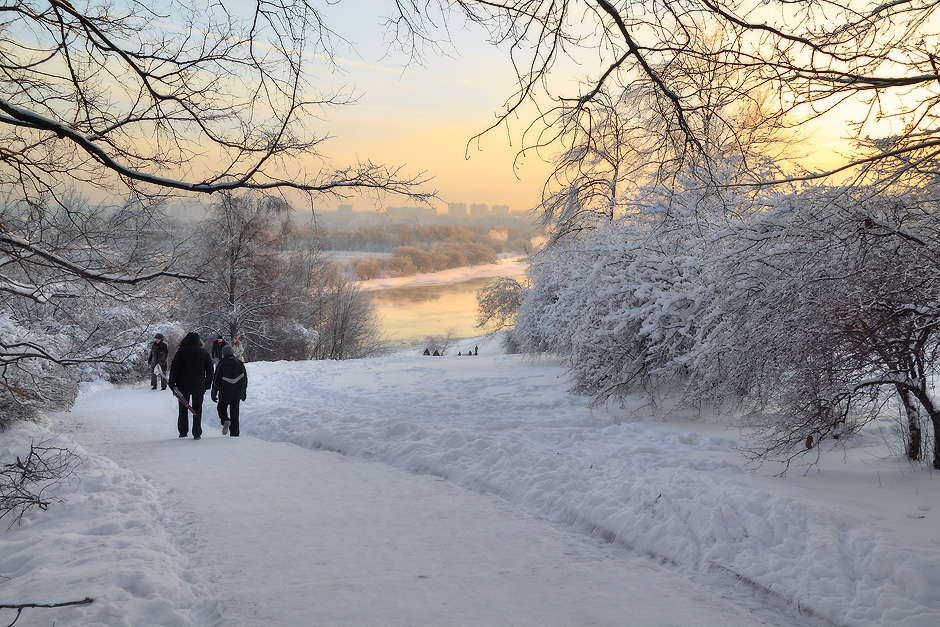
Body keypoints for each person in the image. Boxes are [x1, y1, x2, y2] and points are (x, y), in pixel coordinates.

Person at [168, 331, 214, 440]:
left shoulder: (181, 352)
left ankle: (183, 431)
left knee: (183, 408)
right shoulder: (204, 352)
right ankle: (197, 432)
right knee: (197, 408)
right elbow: (210, 370)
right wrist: (207, 384)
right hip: (199, 385)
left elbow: (175, 369)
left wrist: (172, 384)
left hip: (183, 385)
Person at [212, 344, 248, 437]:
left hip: (225, 393)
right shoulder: (239, 363)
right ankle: (235, 434)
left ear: (223, 354)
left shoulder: (221, 364)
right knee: (235, 413)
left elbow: (216, 380)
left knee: (221, 408)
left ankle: (225, 420)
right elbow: (245, 379)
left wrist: (214, 393)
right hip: (237, 393)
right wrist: (243, 392)